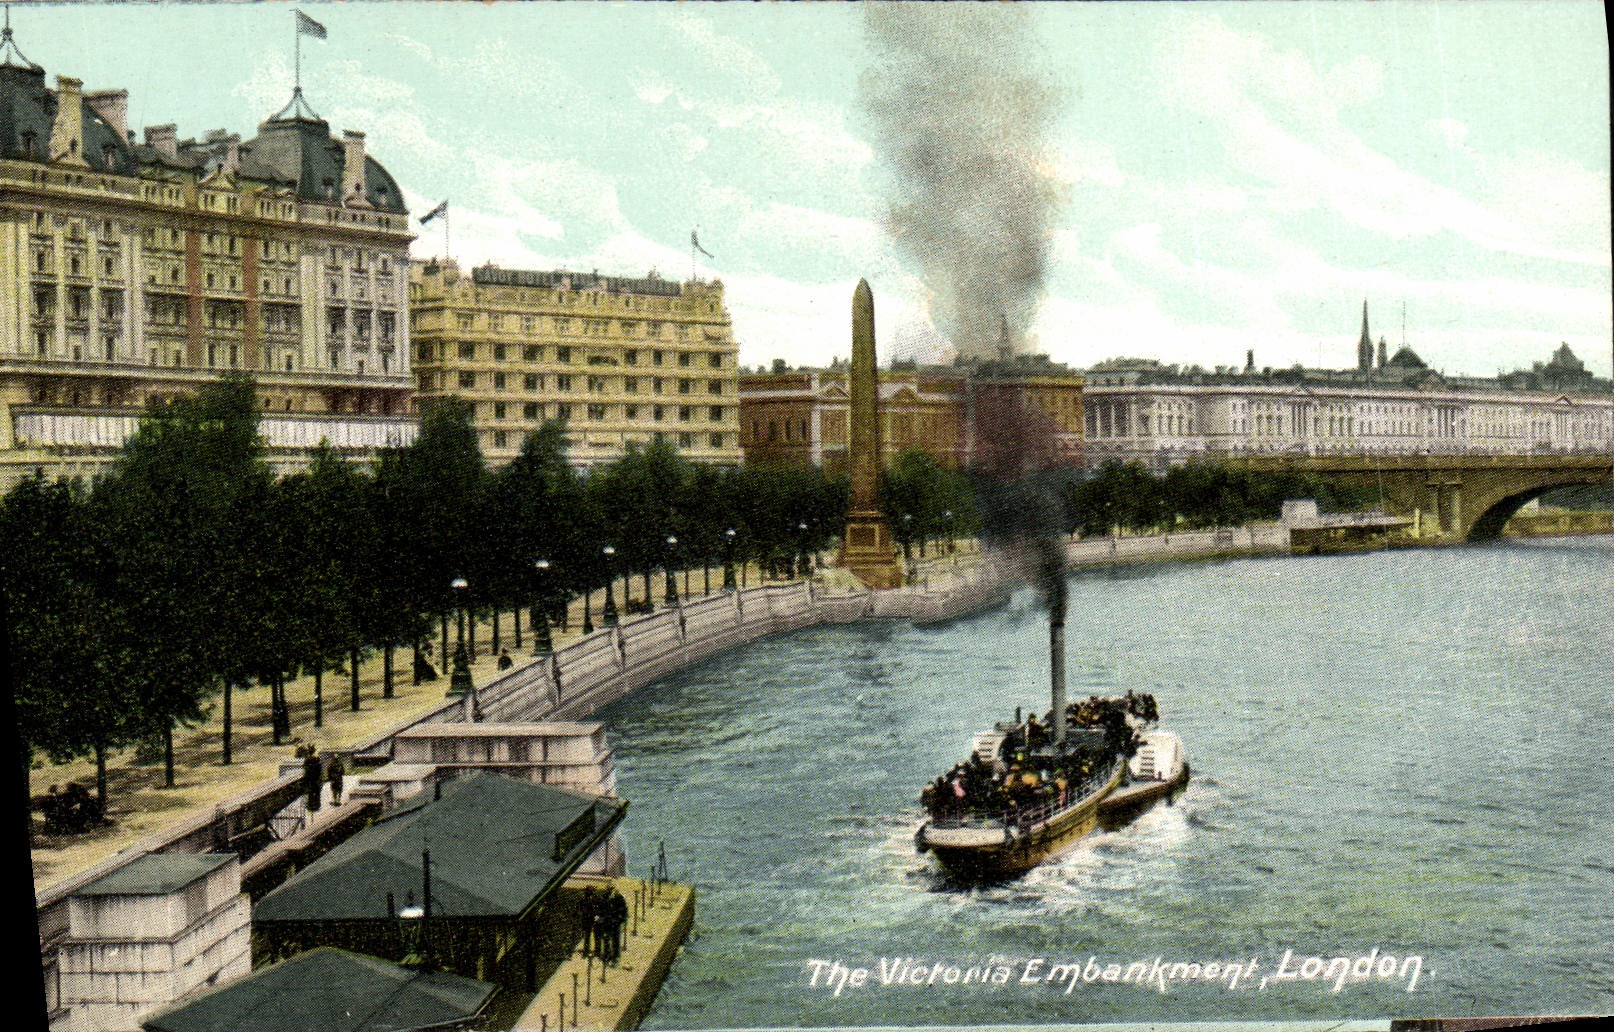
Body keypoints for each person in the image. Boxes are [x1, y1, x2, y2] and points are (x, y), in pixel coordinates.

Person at [302, 746, 323, 813]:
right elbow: (320, 769)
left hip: (310, 779)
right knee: (317, 792)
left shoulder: (306, 760)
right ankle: (316, 805)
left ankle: (310, 805)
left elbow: (305, 770)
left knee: (310, 793)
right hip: (316, 779)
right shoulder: (317, 759)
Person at [580, 887, 598, 957]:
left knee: (588, 936)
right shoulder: (587, 900)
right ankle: (587, 950)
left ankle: (587, 950)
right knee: (588, 936)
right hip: (587, 920)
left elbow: (594, 910)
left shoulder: (589, 900)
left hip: (588, 920)